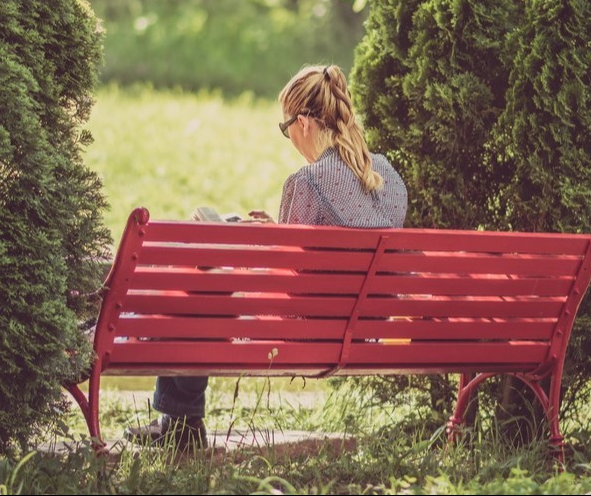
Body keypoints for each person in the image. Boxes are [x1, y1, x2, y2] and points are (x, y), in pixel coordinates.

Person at [125, 64, 408, 450]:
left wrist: (241, 252)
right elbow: (337, 247)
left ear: (304, 123)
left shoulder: (307, 182)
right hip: (364, 329)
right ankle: (178, 425)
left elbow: (285, 279)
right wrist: (276, 229)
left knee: (202, 289)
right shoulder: (389, 176)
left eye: (285, 126)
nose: (288, 136)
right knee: (207, 283)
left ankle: (180, 426)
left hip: (306, 334)